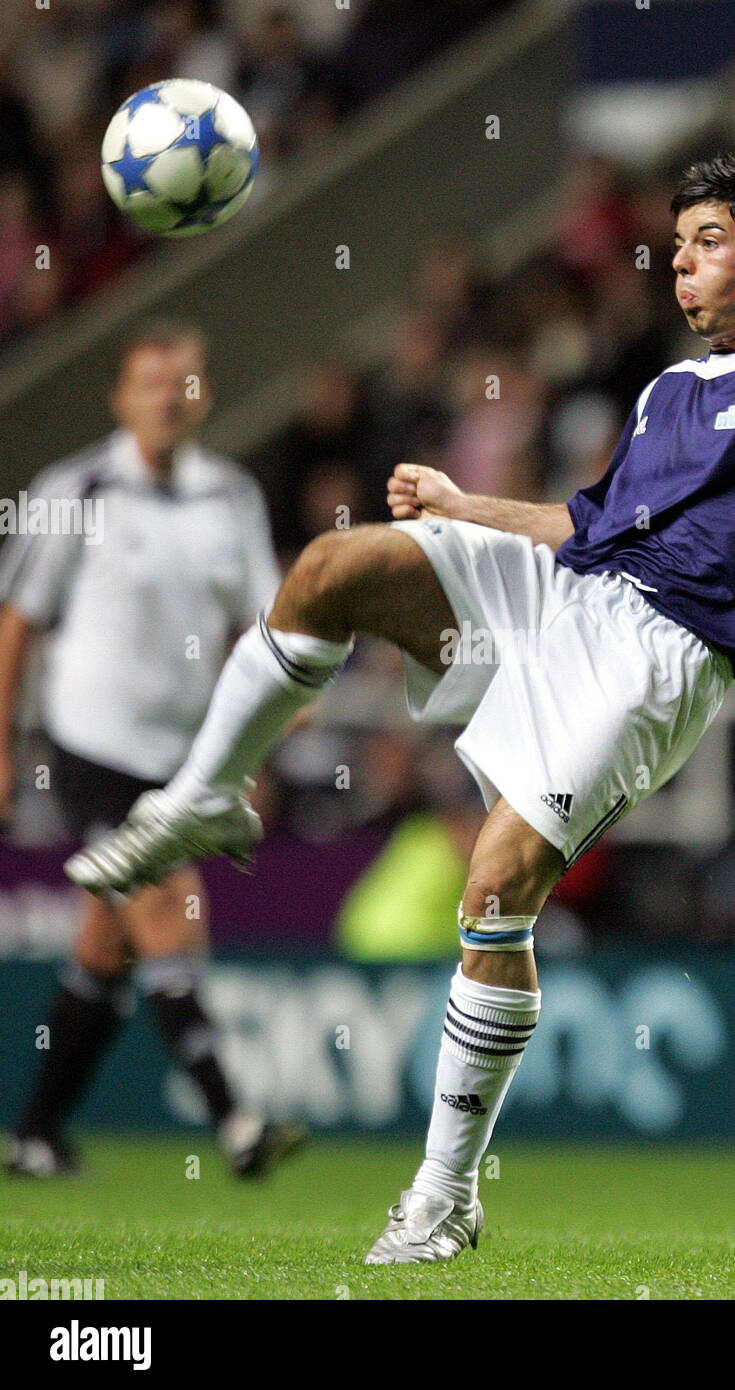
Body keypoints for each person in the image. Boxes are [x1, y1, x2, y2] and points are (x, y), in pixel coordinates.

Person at [64, 156, 735, 1259]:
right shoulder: (667, 390)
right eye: (676, 242)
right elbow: (590, 526)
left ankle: (444, 1190)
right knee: (332, 567)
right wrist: (467, 508)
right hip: (568, 589)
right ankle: (205, 795)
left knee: (496, 883)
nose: (679, 262)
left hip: (657, 654)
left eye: (705, 240)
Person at [0, 319, 304, 1178]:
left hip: (183, 755)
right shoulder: (77, 487)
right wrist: (3, 749)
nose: (170, 398)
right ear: (121, 399)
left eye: (185, 383)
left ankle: (34, 1135)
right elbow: (16, 623)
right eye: (152, 384)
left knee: (106, 946)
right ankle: (235, 1121)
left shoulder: (231, 497)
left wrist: (267, 741)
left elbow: (263, 627)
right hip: (89, 748)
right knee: (170, 911)